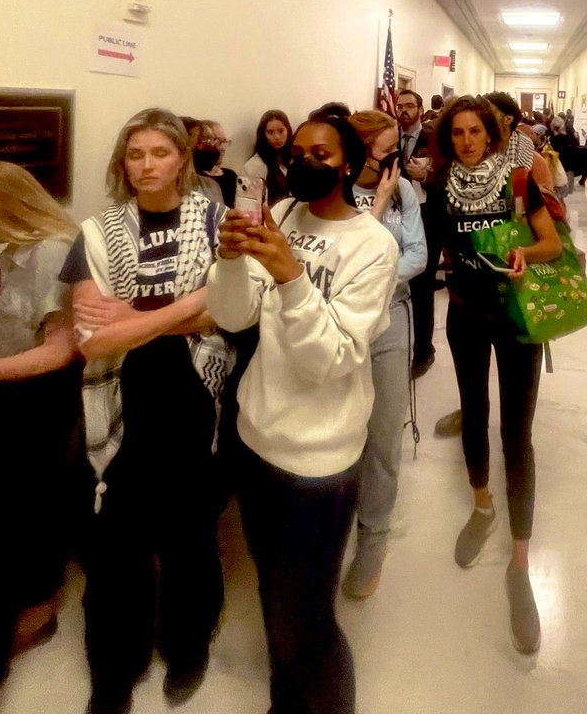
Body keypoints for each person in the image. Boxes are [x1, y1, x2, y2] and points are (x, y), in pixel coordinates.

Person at [208, 114, 398, 714]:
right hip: (256, 437)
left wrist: (291, 275)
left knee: (307, 614)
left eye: (323, 153)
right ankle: (284, 701)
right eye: (299, 151)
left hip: (318, 461)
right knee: (273, 592)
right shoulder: (284, 216)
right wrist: (233, 261)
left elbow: (331, 358)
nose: (307, 161)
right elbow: (236, 318)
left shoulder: (373, 245)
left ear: (348, 163)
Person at [62, 108, 232, 714]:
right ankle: (115, 668)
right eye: (135, 154)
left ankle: (188, 645)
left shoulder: (215, 220)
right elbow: (94, 340)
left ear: (182, 159)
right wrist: (184, 309)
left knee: (190, 535)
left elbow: (229, 312)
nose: (146, 165)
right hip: (119, 400)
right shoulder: (98, 231)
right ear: (122, 162)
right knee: (116, 545)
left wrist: (133, 317)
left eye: (160, 153)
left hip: (193, 401)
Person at [428, 95, 561, 655]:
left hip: (517, 314)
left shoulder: (519, 179)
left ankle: (521, 562)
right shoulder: (437, 188)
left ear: (491, 133)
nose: (465, 140)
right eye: (456, 132)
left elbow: (552, 243)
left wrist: (526, 254)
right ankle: (482, 506)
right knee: (475, 415)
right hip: (464, 316)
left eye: (474, 131)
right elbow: (424, 253)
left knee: (517, 432)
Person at [0, 163, 80, 692]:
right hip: (8, 386)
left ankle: (37, 612)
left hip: (38, 396)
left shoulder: (53, 252)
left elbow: (61, 347)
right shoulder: (11, 246)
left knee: (31, 505)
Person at [346, 110, 427, 598]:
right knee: (339, 429)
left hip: (390, 319)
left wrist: (373, 277)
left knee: (382, 435)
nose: (396, 154)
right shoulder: (334, 191)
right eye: (386, 145)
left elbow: (417, 254)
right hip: (336, 319)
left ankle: (373, 540)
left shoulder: (403, 190)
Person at [395, 90, 437, 378]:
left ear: (421, 109)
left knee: (423, 286)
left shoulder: (435, 139)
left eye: (410, 106)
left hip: (429, 215)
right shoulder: (390, 138)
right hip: (396, 215)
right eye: (400, 106)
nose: (404, 111)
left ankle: (424, 350)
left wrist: (428, 177)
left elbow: (448, 176)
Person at [242, 109, 293, 205]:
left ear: (288, 130)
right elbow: (249, 203)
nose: (277, 137)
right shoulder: (254, 165)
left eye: (281, 131)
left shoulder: (293, 159)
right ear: (263, 134)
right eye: (270, 132)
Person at [198, 120, 237, 207]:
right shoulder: (197, 179)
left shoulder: (230, 175)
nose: (222, 148)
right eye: (216, 142)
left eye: (224, 142)